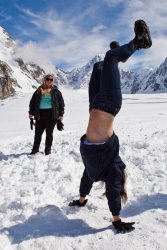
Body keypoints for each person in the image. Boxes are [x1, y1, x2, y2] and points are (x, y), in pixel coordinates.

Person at [69, 20, 152, 233]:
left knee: (99, 66)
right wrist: (116, 219)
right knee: (110, 58)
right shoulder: (113, 168)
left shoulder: (93, 171)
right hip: (109, 105)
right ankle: (140, 42)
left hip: (94, 105)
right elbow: (114, 191)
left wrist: (81, 200)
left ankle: (117, 55)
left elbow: (85, 181)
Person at [29, 74, 65, 155]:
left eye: (51, 80)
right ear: (44, 80)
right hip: (40, 115)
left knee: (49, 133)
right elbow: (32, 102)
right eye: (47, 79)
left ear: (52, 81)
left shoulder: (56, 91)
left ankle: (47, 150)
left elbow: (61, 103)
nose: (49, 81)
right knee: (38, 133)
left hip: (52, 115)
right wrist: (30, 112)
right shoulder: (38, 90)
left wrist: (61, 114)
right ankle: (35, 149)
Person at [89, 41, 120, 111]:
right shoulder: (102, 66)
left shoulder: (98, 65)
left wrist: (91, 107)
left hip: (98, 104)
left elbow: (92, 89)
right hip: (105, 103)